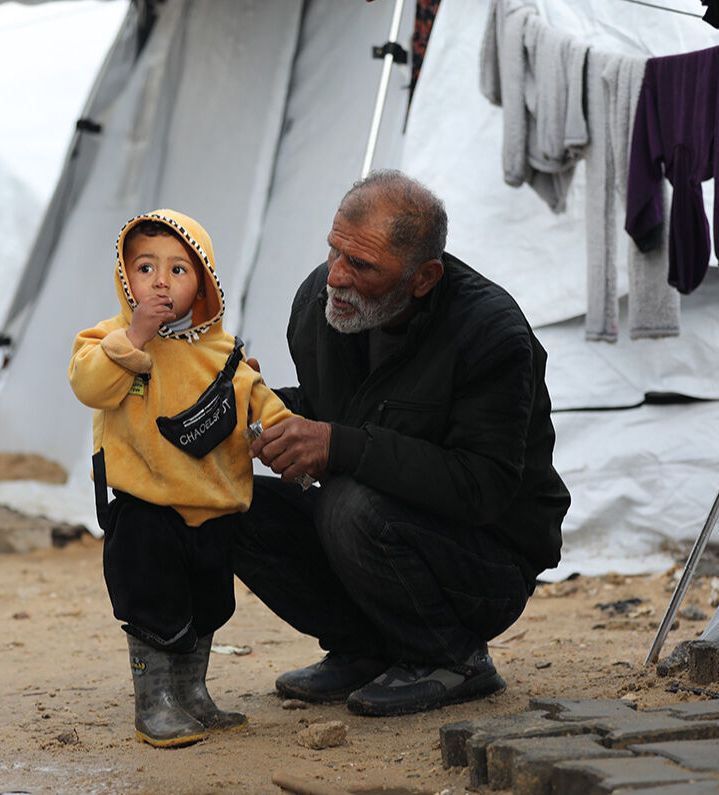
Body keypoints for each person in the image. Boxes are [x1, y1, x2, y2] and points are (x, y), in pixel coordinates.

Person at [238, 170, 570, 717]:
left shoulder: (489, 333)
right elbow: (330, 411)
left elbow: (483, 487)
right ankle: (364, 651)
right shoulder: (320, 303)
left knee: (349, 503)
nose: (336, 276)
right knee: (233, 504)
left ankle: (451, 658)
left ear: (424, 278)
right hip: (379, 534)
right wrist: (256, 405)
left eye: (361, 265)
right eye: (334, 251)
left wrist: (337, 446)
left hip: (485, 566)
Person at [69, 210, 296, 747]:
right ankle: (154, 705)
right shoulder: (107, 341)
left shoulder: (224, 353)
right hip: (145, 508)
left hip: (212, 508)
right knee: (151, 605)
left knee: (207, 606)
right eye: (145, 268)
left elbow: (262, 405)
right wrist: (135, 337)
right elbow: (90, 387)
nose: (160, 282)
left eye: (178, 269)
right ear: (125, 278)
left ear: (204, 285)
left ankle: (192, 694)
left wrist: (282, 436)